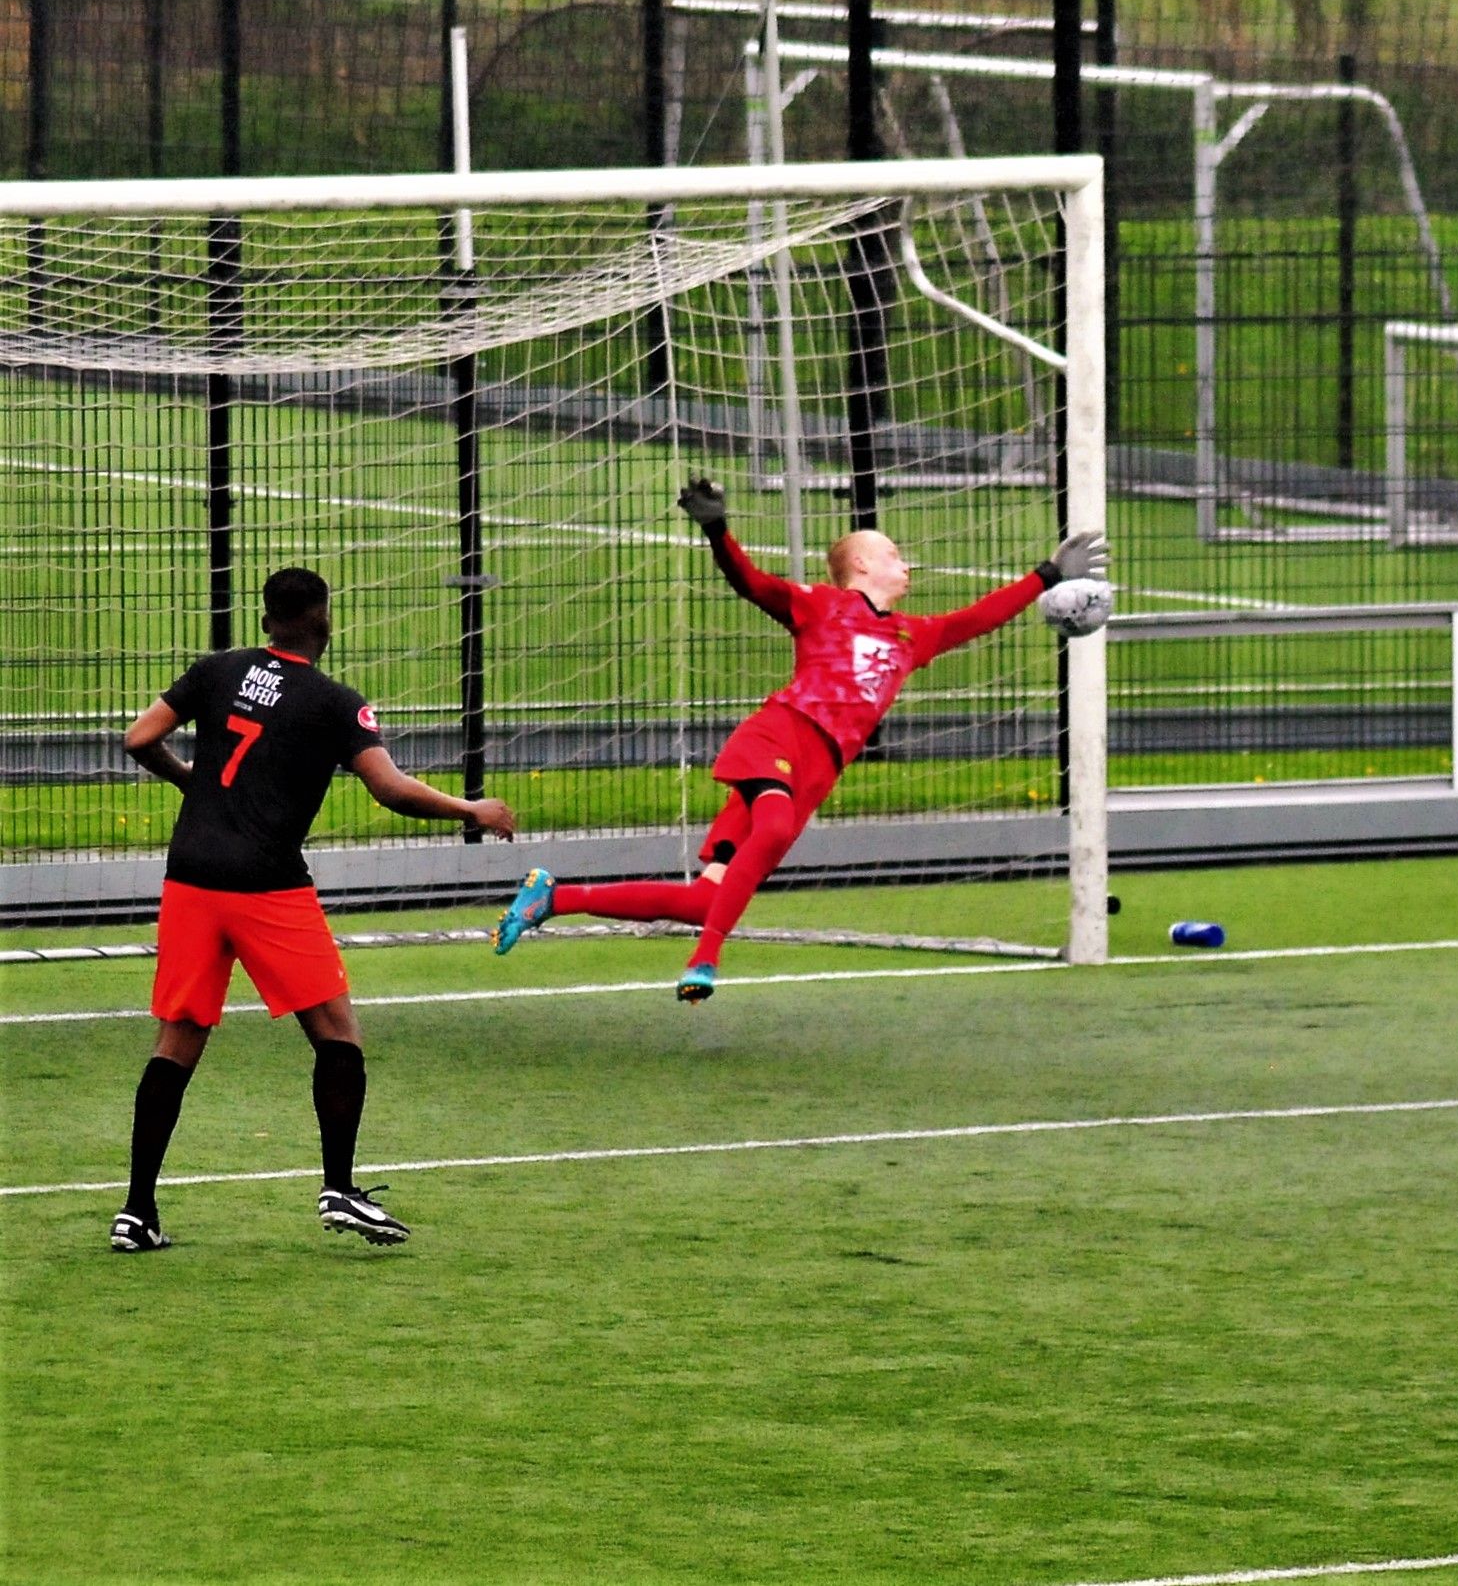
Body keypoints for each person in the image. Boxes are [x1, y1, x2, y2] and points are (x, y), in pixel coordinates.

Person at [493, 479, 1107, 1002]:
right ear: (861, 564)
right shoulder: (820, 604)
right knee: (776, 830)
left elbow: (981, 616)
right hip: (780, 735)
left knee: (706, 899)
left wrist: (1049, 574)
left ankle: (555, 896)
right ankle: (705, 961)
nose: (907, 564)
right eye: (893, 553)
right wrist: (718, 533)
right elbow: (750, 581)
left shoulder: (914, 636)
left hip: (815, 770)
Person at [113, 568, 517, 1253]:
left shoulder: (217, 670)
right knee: (336, 1032)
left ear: (267, 617)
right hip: (267, 885)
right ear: (324, 619)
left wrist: (198, 785)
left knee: (176, 1041)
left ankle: (136, 1211)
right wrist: (468, 807)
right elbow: (388, 788)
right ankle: (338, 1186)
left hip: (190, 878)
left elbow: (138, 736)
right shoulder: (334, 702)